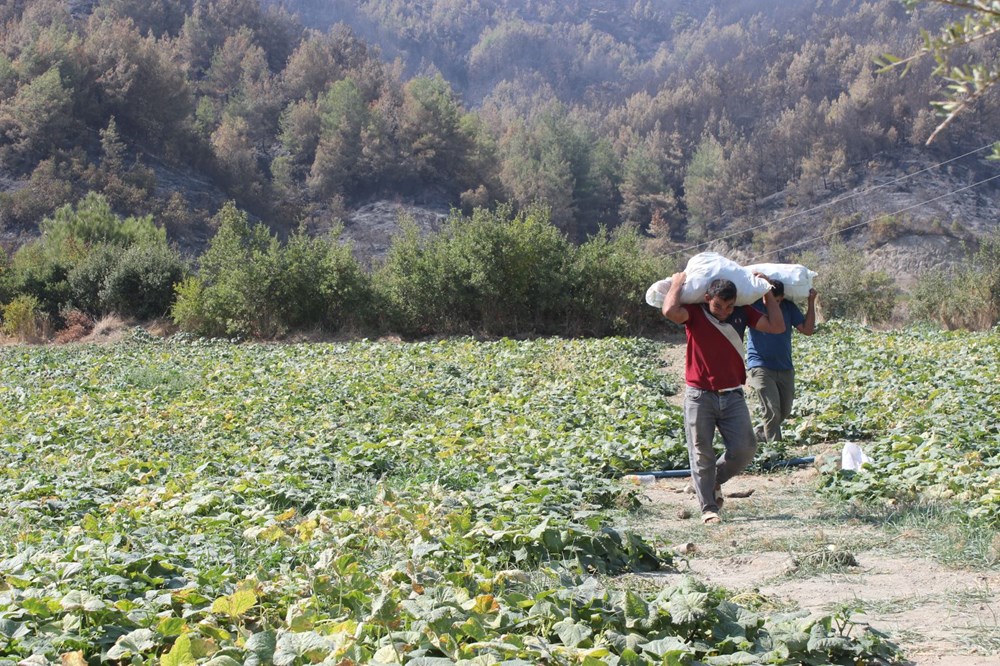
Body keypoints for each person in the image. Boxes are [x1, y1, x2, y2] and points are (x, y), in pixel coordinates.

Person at [661, 271, 785, 524]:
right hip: (699, 396)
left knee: (745, 448)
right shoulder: (695, 314)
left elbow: (777, 326)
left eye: (729, 306)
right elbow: (670, 311)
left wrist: (767, 293)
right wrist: (676, 283)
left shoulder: (742, 314)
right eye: (718, 305)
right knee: (701, 452)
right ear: (707, 298)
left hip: (732, 395)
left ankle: (711, 480)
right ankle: (709, 508)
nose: (724, 311)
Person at [746, 280, 817, 443]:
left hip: (784, 366)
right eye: (768, 299)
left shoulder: (788, 307)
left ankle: (759, 433)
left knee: (784, 410)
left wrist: (811, 303)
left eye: (776, 300)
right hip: (760, 365)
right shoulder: (754, 306)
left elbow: (807, 330)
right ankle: (775, 451)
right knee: (772, 410)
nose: (772, 304)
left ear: (782, 297)